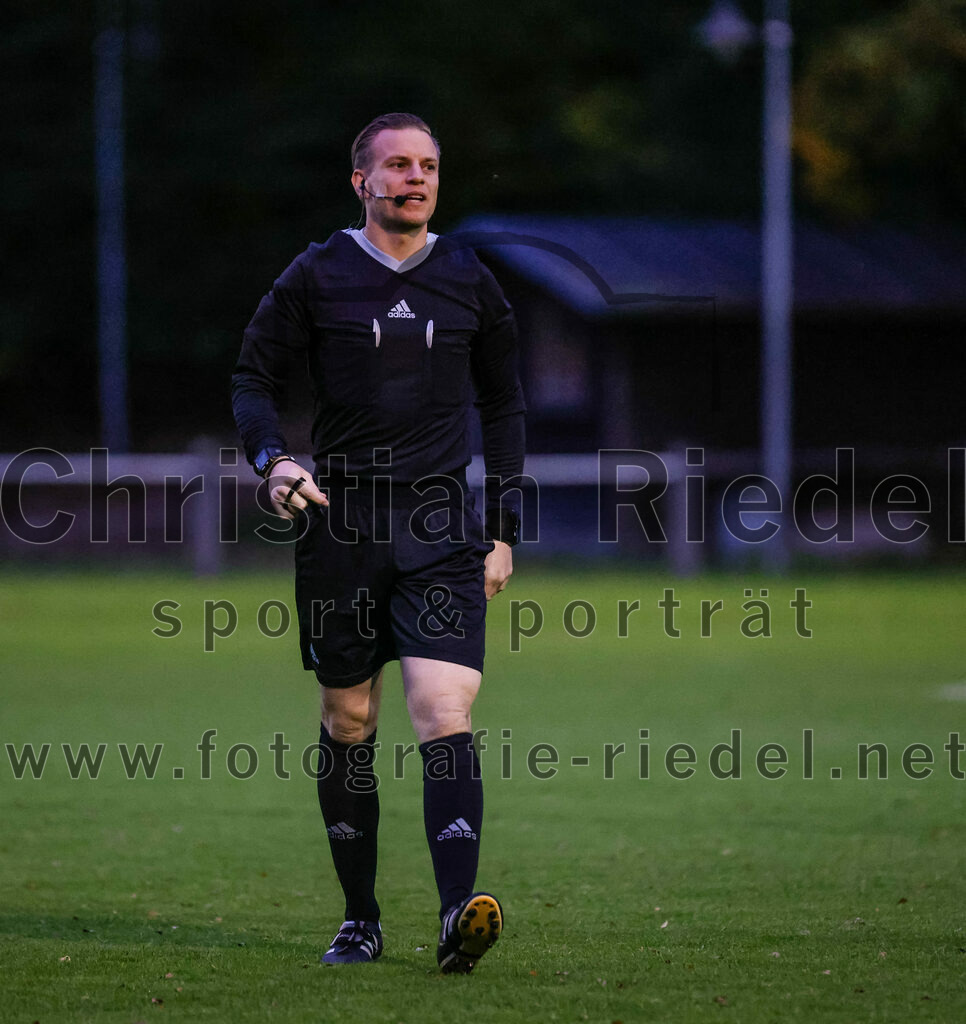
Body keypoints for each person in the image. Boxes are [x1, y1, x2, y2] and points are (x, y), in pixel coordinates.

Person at [231, 112, 525, 974]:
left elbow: (503, 406)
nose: (416, 177)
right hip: (341, 530)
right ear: (360, 180)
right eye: (397, 165)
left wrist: (502, 528)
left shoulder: (471, 277)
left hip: (441, 532)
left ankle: (453, 915)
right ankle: (360, 917)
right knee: (348, 719)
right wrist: (273, 460)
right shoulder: (316, 273)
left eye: (429, 164)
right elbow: (253, 378)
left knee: (445, 710)